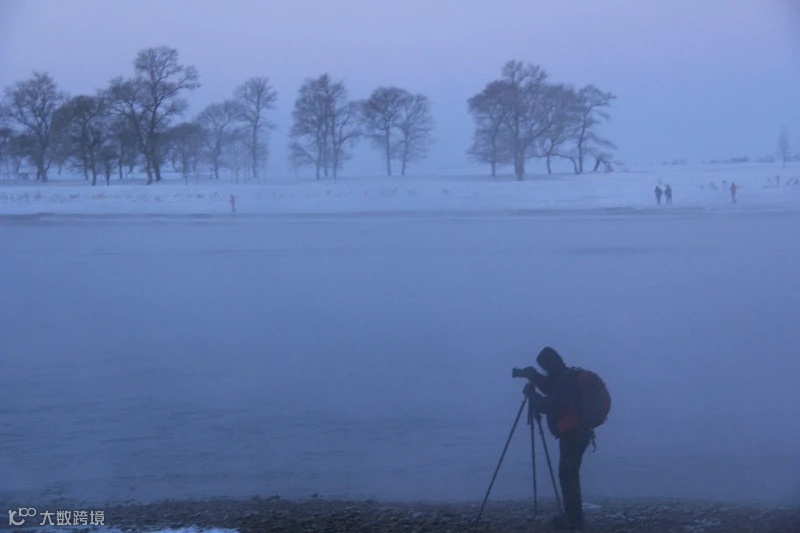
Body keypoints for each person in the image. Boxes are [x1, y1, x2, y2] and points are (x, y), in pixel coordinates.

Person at [523, 347, 593, 531]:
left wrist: (534, 398)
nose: (545, 370)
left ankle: (574, 519)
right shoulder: (565, 376)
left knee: (567, 474)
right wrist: (535, 377)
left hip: (574, 433)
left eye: (544, 367)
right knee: (569, 473)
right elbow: (551, 389)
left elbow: (554, 404)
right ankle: (573, 516)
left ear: (550, 364)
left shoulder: (565, 380)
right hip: (579, 431)